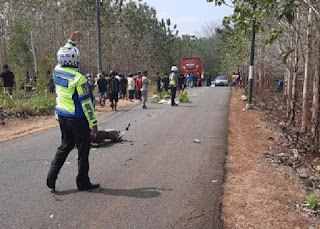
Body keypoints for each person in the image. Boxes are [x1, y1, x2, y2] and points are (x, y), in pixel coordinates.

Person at [47, 31, 99, 191]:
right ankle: (82, 182)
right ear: (75, 60)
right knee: (83, 150)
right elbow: (86, 104)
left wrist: (71, 40)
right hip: (78, 118)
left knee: (65, 146)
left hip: (62, 115)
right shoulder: (79, 78)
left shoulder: (57, 70)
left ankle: (51, 177)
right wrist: (94, 123)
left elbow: (65, 53)